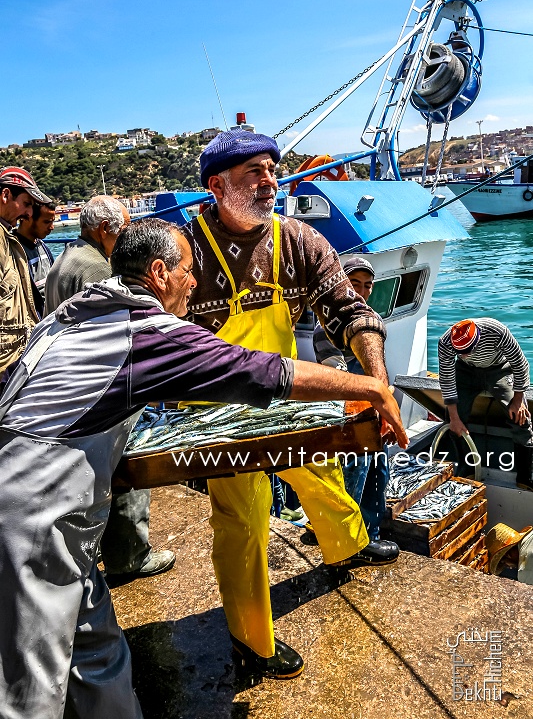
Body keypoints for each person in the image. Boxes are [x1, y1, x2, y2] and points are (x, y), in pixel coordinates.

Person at [0, 218, 407, 717]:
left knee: (98, 652)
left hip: (53, 509)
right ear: (159, 273)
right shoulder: (147, 333)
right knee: (30, 691)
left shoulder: (74, 313)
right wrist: (371, 387)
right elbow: (260, 371)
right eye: (188, 271)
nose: (194, 282)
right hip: (33, 517)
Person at [183, 129, 409, 677]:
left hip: (285, 393)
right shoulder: (186, 251)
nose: (270, 182)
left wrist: (377, 381)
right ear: (217, 186)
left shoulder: (299, 240)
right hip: (216, 408)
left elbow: (350, 311)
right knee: (243, 517)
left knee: (320, 469)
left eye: (271, 169)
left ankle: (348, 546)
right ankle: (251, 642)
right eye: (253, 172)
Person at [44, 196, 175, 581]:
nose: (128, 236)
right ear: (105, 229)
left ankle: (104, 548)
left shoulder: (66, 260)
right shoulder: (98, 270)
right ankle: (129, 555)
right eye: (125, 228)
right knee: (127, 466)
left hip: (72, 388)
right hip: (102, 390)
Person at [313, 256, 392, 545]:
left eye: (368, 285)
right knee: (352, 481)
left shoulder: (372, 321)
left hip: (374, 414)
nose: (362, 291)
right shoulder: (327, 328)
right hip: (350, 417)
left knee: (378, 477)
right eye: (355, 284)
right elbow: (338, 377)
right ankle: (348, 543)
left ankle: (371, 536)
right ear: (343, 285)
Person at [438, 317, 533, 487]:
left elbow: (520, 364)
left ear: (478, 339)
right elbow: (446, 379)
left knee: (520, 416)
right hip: (466, 371)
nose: (464, 355)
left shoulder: (497, 331)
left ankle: (526, 476)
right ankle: (467, 468)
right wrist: (454, 418)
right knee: (453, 418)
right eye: (460, 352)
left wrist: (518, 400)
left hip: (499, 369)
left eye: (468, 350)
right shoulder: (445, 342)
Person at [0, 166, 52, 377]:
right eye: (27, 204)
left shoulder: (8, 239)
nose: (29, 213)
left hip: (16, 362)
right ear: (5, 195)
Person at [14, 200, 56, 317]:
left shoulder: (42, 247)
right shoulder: (14, 251)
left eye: (52, 221)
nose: (52, 227)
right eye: (47, 222)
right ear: (27, 218)